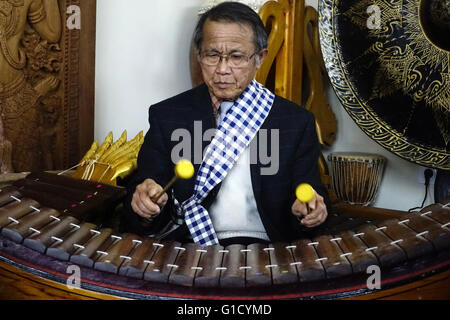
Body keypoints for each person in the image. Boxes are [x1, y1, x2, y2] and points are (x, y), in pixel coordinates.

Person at [122, 2, 329, 246]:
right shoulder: (167, 115)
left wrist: (311, 212)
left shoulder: (296, 122)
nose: (222, 69)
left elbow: (312, 200)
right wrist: (144, 202)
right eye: (212, 55)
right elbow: (142, 197)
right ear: (199, 55)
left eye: (237, 56)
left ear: (260, 58)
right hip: (190, 246)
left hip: (269, 250)